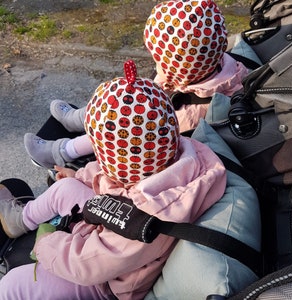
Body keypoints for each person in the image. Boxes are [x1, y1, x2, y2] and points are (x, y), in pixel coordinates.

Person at [0, 60, 226, 299]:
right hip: (113, 222)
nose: (98, 157)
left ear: (119, 163)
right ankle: (20, 220)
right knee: (66, 186)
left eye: (100, 151)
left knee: (14, 284)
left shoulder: (147, 221)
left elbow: (86, 264)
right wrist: (78, 176)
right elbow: (112, 174)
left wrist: (46, 243)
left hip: (106, 283)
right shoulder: (173, 152)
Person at [24, 0, 248, 169]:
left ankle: (64, 151)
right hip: (173, 93)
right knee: (115, 95)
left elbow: (135, 134)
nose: (156, 62)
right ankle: (79, 118)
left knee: (117, 124)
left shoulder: (193, 112)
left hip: (137, 139)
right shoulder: (214, 65)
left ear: (177, 65)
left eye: (159, 59)